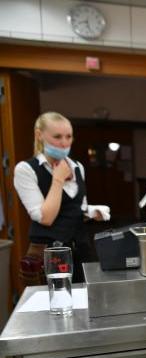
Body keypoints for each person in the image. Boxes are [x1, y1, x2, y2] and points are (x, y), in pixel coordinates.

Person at [14, 112, 110, 285]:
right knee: (51, 307)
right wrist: (58, 179)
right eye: (57, 137)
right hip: (49, 254)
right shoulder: (26, 169)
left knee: (85, 304)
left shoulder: (77, 167)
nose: (64, 142)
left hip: (81, 250)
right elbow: (46, 217)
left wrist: (91, 212)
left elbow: (76, 208)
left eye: (69, 136)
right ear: (39, 135)